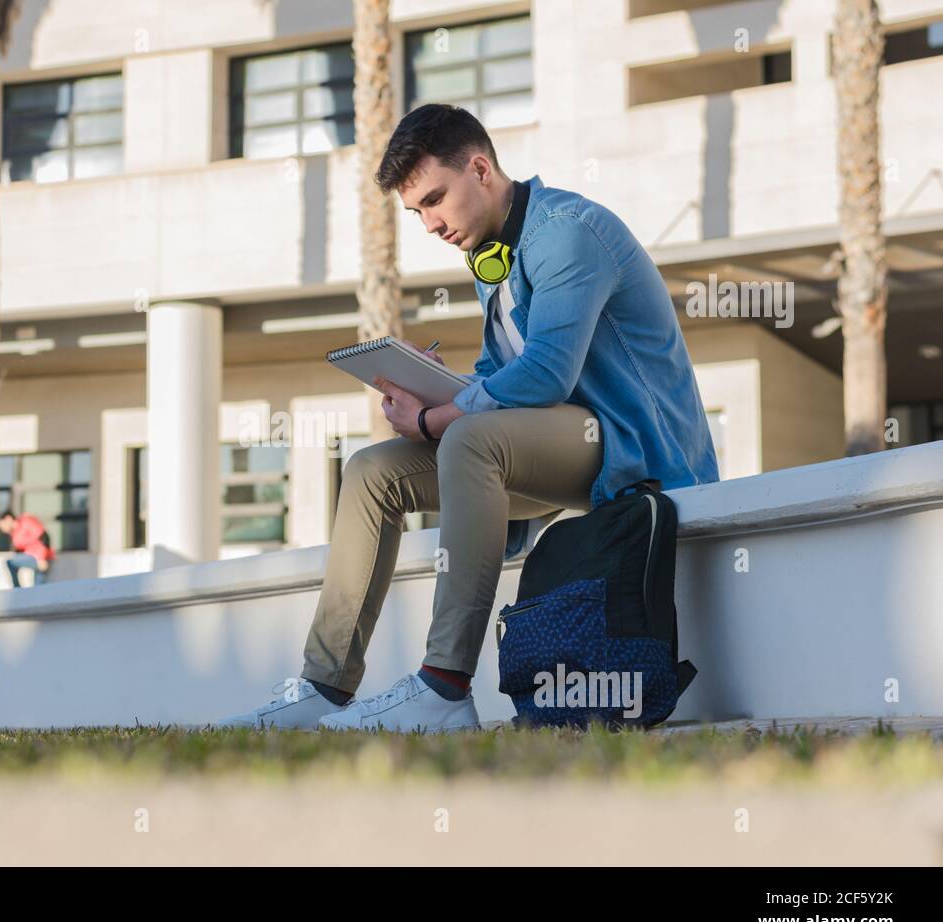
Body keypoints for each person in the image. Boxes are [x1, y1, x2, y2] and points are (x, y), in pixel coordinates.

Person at [220, 104, 720, 733]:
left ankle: (445, 686)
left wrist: (439, 419)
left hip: (633, 442)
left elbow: (545, 374)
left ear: (480, 169)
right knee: (373, 471)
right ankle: (324, 684)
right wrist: (438, 389)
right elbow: (500, 370)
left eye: (435, 200)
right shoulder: (493, 254)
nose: (429, 224)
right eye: (416, 213)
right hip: (556, 440)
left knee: (471, 440)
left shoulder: (566, 231)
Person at [0, 511, 54, 587]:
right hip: (32, 557)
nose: (2, 530)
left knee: (11, 563)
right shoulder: (14, 533)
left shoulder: (26, 522)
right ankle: (19, 591)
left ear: (8, 519)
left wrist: (41, 558)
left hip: (42, 557)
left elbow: (43, 537)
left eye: (2, 526)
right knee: (37, 588)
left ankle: (17, 590)